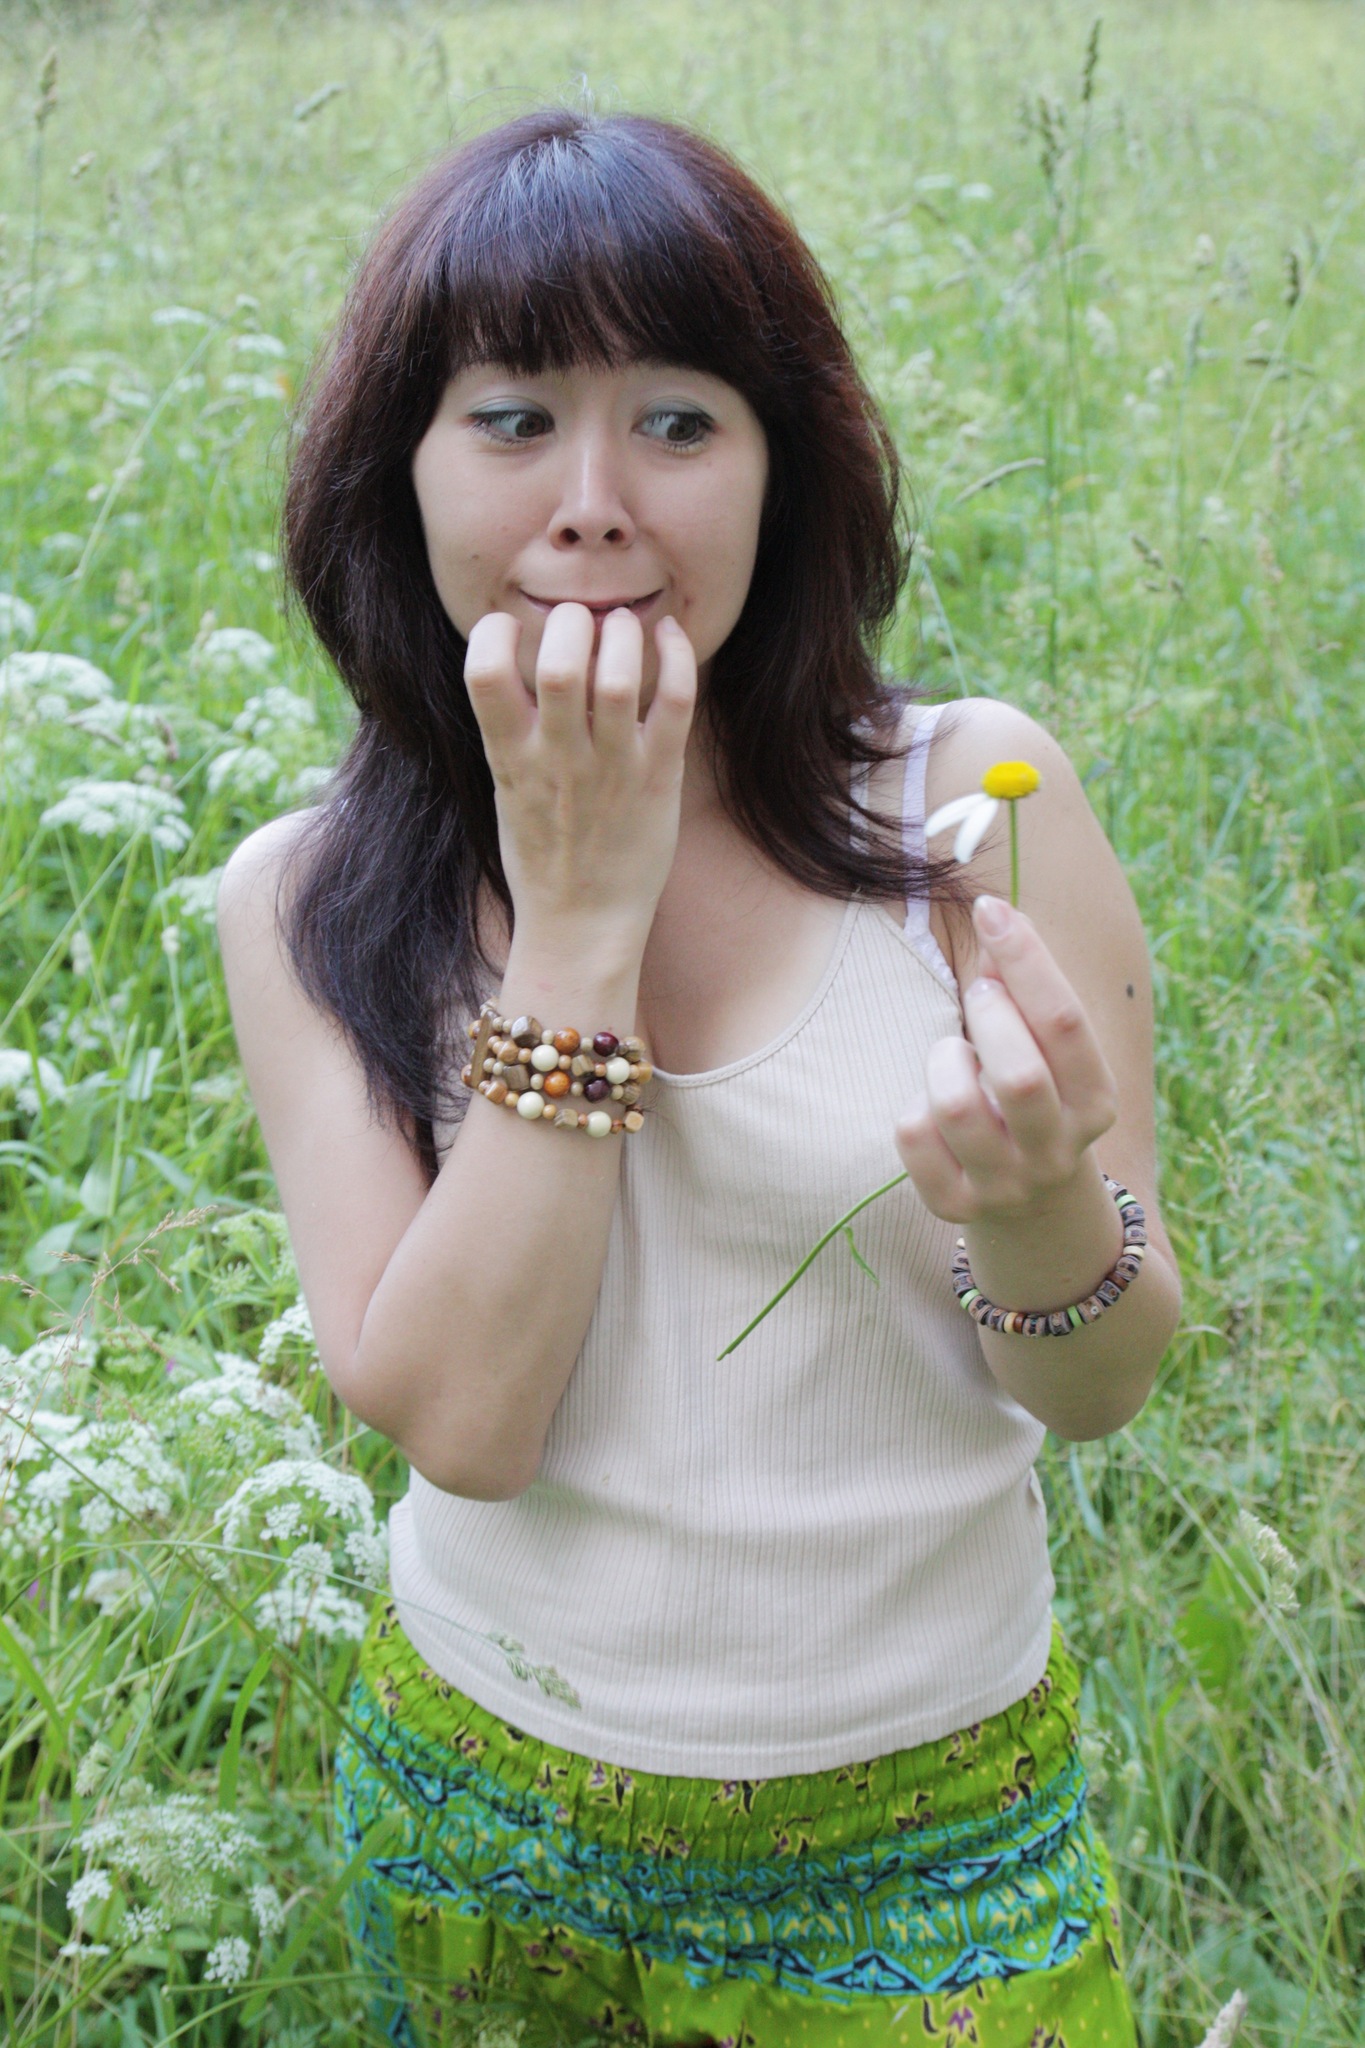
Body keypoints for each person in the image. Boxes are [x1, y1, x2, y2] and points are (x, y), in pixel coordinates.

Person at [218, 106, 1180, 2048]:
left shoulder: (966, 807)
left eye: (677, 420)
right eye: (511, 418)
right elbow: (462, 1425)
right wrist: (580, 918)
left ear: (780, 472)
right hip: (483, 1818)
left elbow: (1101, 1385)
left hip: (929, 1840)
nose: (593, 504)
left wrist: (1030, 1207)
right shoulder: (305, 896)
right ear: (396, 473)